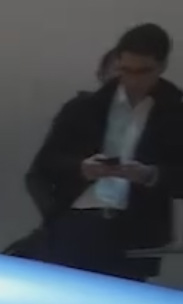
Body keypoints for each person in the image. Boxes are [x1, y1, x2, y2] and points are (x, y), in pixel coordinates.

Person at [30, 23, 183, 281]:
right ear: (118, 64)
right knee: (64, 293)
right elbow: (45, 164)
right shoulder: (84, 107)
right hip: (78, 218)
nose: (133, 80)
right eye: (126, 70)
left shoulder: (175, 115)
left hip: (136, 230)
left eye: (143, 71)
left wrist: (150, 175)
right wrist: (82, 168)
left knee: (121, 300)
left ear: (162, 66)